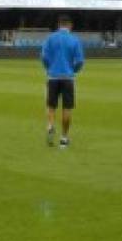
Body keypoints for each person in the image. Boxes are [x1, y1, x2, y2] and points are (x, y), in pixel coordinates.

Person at [41, 15, 85, 149]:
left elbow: (44, 57)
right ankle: (64, 138)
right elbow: (79, 62)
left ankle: (50, 125)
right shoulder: (74, 40)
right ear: (70, 25)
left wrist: (49, 69)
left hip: (53, 76)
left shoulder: (50, 38)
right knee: (67, 108)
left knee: (51, 105)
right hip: (68, 77)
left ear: (58, 24)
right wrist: (73, 70)